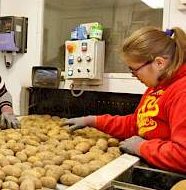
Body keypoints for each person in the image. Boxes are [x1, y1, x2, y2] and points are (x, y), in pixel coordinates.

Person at [63, 27, 186, 174]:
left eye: (134, 70)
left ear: (159, 63)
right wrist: (93, 121)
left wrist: (142, 148)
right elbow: (136, 124)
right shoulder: (156, 88)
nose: (134, 76)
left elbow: (183, 155)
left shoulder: (181, 92)